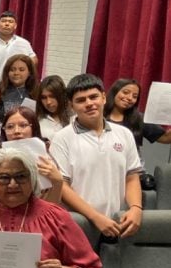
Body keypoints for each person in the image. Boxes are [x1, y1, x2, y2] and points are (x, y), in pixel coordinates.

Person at [50, 74, 142, 239]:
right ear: (71, 105)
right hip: (78, 223)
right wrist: (94, 217)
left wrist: (136, 208)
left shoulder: (124, 134)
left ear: (104, 98)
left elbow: (131, 176)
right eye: (81, 100)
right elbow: (62, 186)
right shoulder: (62, 138)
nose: (89, 103)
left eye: (93, 97)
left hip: (117, 224)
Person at [0, 106, 64, 204]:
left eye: (23, 125)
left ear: (34, 127)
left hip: (33, 218)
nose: (16, 131)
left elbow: (51, 206)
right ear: (4, 130)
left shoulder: (45, 159)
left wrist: (58, 182)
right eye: (10, 127)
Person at [103, 78, 171, 151]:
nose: (129, 98)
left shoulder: (138, 119)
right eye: (125, 92)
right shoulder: (98, 115)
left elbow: (165, 138)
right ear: (114, 92)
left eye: (134, 96)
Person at [35, 75, 71, 141]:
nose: (48, 102)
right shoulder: (37, 119)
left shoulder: (74, 118)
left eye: (52, 96)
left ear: (61, 95)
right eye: (44, 97)